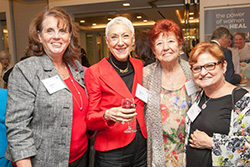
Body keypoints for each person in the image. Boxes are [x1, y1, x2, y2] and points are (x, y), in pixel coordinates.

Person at [5, 8, 89, 167]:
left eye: (62, 30)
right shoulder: (26, 70)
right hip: (44, 161)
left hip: (80, 157)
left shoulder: (75, 67)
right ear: (39, 35)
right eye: (50, 31)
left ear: (69, 36)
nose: (57, 36)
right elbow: (18, 128)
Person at [84, 16, 147, 167]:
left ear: (132, 40)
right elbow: (90, 119)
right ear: (107, 41)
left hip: (141, 147)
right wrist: (106, 115)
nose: (120, 42)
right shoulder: (95, 72)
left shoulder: (139, 66)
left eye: (125, 36)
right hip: (112, 152)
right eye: (114, 37)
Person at [185, 42, 250, 166]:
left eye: (210, 65)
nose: (203, 73)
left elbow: (248, 148)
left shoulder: (242, 100)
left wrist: (210, 142)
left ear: (224, 66)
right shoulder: (201, 95)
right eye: (197, 68)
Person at [143, 19, 197, 167]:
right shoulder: (145, 75)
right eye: (159, 43)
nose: (165, 48)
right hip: (159, 152)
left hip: (189, 150)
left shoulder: (194, 72)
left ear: (180, 45)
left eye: (171, 41)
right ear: (154, 50)